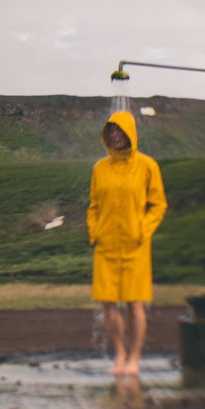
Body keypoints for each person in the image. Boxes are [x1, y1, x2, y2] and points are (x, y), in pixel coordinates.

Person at [87, 110, 167, 375]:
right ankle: (120, 355)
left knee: (135, 303)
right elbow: (93, 206)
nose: (115, 135)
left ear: (130, 132)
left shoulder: (147, 166)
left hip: (135, 246)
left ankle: (134, 358)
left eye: (119, 130)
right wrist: (95, 232)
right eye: (110, 130)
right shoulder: (99, 168)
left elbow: (158, 204)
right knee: (108, 303)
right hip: (106, 245)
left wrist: (143, 231)